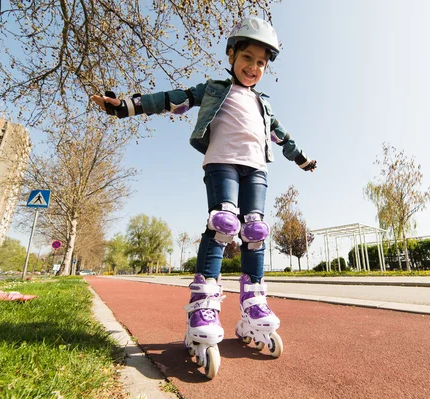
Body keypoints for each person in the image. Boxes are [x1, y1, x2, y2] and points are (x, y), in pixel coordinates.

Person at [91, 16, 316, 378]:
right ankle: (203, 306)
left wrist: (302, 159)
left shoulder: (264, 104)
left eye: (261, 63)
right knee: (224, 223)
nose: (254, 67)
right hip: (222, 163)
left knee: (256, 231)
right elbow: (172, 99)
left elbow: (281, 137)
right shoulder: (213, 88)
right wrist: (126, 106)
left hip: (257, 169)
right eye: (248, 57)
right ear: (231, 54)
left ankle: (253, 306)